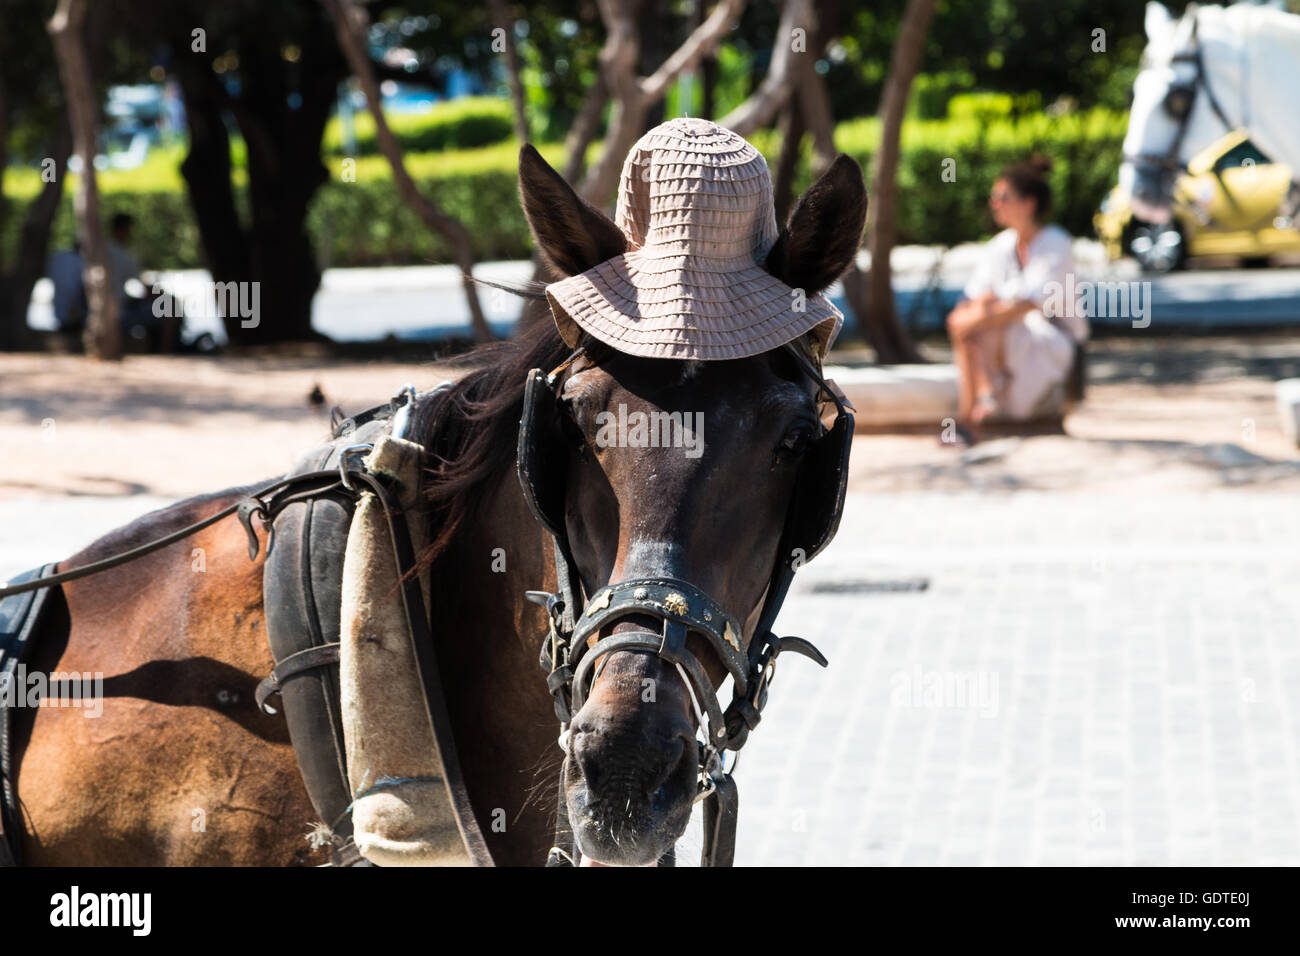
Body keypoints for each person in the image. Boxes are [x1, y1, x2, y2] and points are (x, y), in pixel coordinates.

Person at [945, 156, 1088, 444]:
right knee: (968, 321)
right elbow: (978, 296)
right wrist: (975, 315)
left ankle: (973, 414)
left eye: (1002, 197)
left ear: (1028, 204)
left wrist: (976, 317)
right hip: (1015, 335)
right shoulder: (1001, 245)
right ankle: (973, 413)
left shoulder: (1056, 244)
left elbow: (1029, 304)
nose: (994, 203)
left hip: (1056, 341)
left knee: (975, 324)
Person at [48, 241, 88, 335]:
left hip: (62, 315)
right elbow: (74, 289)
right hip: (74, 315)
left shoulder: (58, 257)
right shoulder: (80, 261)